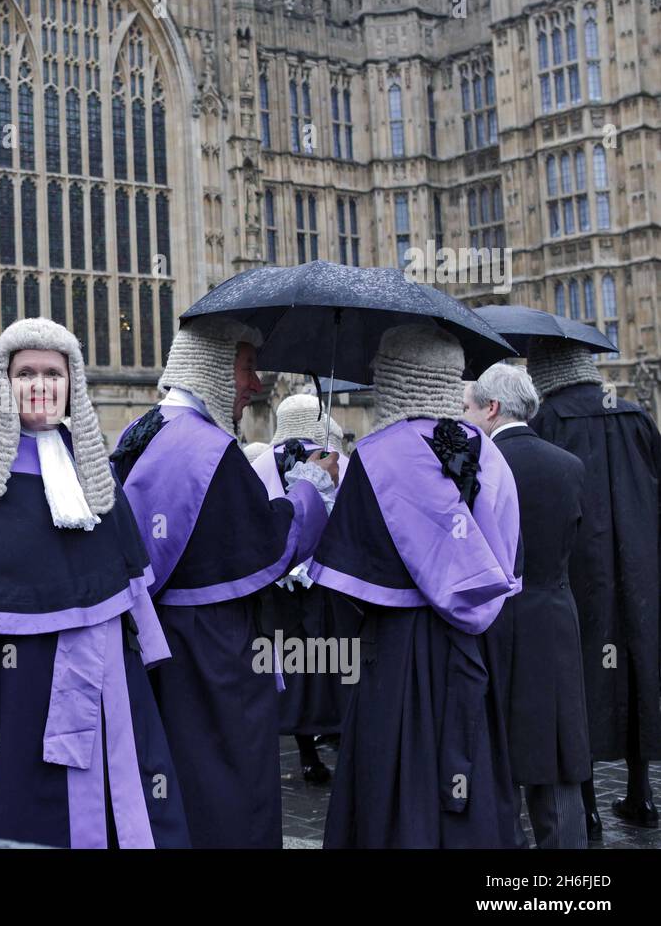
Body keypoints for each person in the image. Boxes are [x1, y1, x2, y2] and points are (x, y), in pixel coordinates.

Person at [0, 318, 190, 848]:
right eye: (26, 372)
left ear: (72, 382)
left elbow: (126, 579)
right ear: (6, 381)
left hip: (101, 683)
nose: (40, 384)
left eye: (53, 372)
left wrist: (149, 658)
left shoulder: (89, 464)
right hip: (9, 690)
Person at [111, 320, 334, 848]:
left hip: (152, 644)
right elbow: (271, 545)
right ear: (214, 366)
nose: (255, 385)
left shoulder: (136, 432)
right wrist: (309, 488)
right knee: (229, 791)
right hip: (216, 654)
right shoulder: (210, 450)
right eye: (247, 367)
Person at [311, 325, 523, 848]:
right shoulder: (489, 453)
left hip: (393, 656)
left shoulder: (375, 455)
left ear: (395, 377)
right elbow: (509, 553)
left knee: (392, 787)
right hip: (473, 651)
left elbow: (341, 584)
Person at [527, 337, 661, 832]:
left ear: (545, 374)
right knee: (638, 665)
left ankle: (587, 805)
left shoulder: (548, 423)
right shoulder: (634, 415)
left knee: (578, 676)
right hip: (640, 568)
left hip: (575, 571)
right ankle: (641, 793)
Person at [463, 363, 591, 848]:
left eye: (469, 408)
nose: (467, 417)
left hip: (489, 622)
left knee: (494, 762)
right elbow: (582, 550)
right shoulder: (569, 465)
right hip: (553, 621)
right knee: (556, 765)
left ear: (491, 408)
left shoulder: (474, 466)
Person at [251, 392, 358, 785]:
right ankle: (343, 743)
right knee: (340, 665)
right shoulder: (342, 462)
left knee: (293, 664)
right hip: (332, 583)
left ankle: (308, 753)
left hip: (280, 589)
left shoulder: (261, 464)